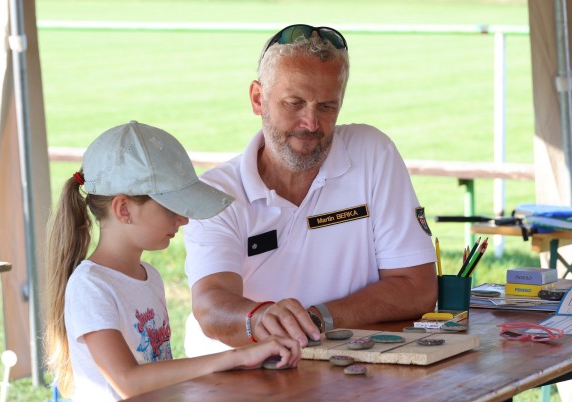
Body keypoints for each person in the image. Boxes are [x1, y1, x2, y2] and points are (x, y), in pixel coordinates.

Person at [183, 24, 438, 357]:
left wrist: (316, 319)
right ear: (258, 99)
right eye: (294, 103)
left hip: (343, 364)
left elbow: (417, 288)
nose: (311, 123)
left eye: (327, 106)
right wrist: (261, 319)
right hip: (238, 373)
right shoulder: (216, 192)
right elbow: (211, 306)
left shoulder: (372, 153)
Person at [43, 121, 301, 402]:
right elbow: (129, 381)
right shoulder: (90, 286)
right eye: (170, 207)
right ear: (123, 209)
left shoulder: (149, 277)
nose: (184, 219)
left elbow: (158, 371)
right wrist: (235, 356)